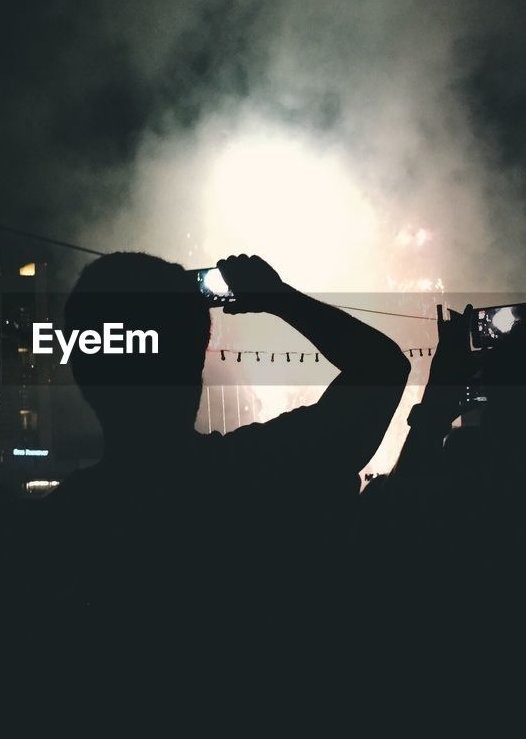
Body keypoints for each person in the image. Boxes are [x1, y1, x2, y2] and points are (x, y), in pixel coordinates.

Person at [29, 251, 409, 703]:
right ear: (196, 364)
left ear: (82, 369)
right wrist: (277, 298)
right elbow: (382, 368)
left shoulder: (49, 535)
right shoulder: (259, 474)